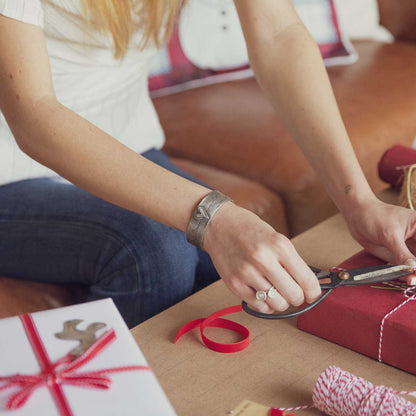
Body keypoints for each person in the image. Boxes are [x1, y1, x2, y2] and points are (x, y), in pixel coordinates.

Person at [0, 0, 415, 328]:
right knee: (154, 252)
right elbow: (35, 117)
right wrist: (213, 217)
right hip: (9, 168)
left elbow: (278, 34)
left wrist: (358, 201)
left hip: (125, 142)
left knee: (255, 278)